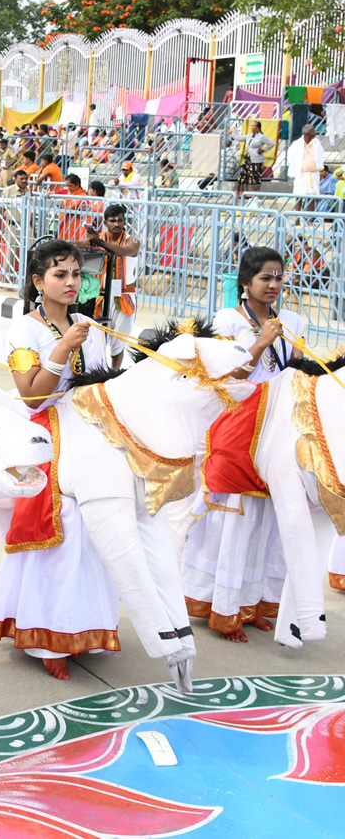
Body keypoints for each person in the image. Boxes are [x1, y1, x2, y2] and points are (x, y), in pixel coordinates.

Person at [0, 238, 120, 680]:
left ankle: (83, 628)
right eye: (60, 274)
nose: (71, 282)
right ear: (39, 282)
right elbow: (32, 393)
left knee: (95, 531)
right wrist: (63, 348)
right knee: (62, 529)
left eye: (76, 274)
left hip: (89, 433)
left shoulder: (90, 324)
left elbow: (104, 384)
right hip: (45, 437)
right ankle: (44, 634)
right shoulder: (24, 329)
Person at [182, 247, 303, 642]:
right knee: (234, 517)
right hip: (237, 428)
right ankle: (223, 608)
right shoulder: (228, 321)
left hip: (277, 430)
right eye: (265, 277)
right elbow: (225, 375)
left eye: (278, 277)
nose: (273, 285)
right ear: (245, 282)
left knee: (269, 523)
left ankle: (255, 604)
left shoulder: (293, 321)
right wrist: (260, 343)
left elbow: (295, 375)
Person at [81, 203, 139, 369]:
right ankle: (98, 371)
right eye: (112, 221)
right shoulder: (101, 239)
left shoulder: (132, 241)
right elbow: (81, 244)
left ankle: (114, 372)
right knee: (98, 338)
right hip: (101, 296)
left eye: (120, 220)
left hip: (124, 297)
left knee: (118, 342)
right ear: (105, 223)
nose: (117, 224)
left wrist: (98, 241)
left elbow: (122, 251)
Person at [229, 121, 275, 198]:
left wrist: (263, 150)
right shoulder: (249, 136)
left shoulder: (262, 137)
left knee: (254, 176)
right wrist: (231, 133)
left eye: (254, 126)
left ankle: (254, 193)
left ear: (258, 128)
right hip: (248, 158)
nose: (252, 127)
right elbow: (239, 138)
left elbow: (271, 143)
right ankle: (242, 192)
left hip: (256, 160)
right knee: (244, 175)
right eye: (251, 126)